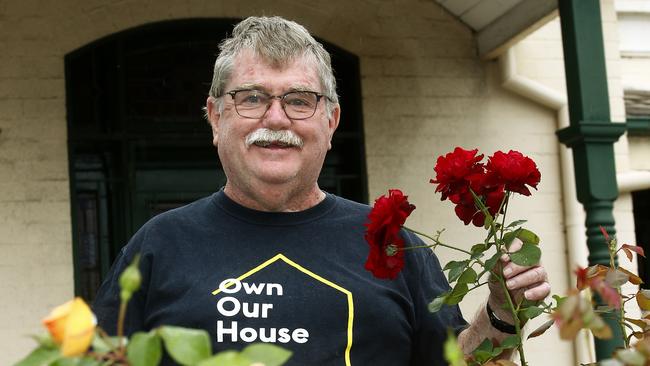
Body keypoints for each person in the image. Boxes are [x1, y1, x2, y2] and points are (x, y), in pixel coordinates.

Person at [93, 16, 550, 365]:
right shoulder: (160, 246)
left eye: (298, 100)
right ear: (215, 117)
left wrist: (500, 313)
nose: (275, 119)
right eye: (251, 98)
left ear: (330, 121)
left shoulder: (393, 245)